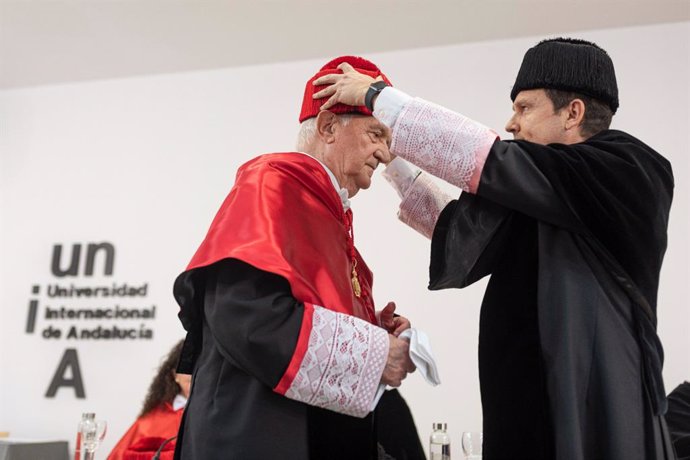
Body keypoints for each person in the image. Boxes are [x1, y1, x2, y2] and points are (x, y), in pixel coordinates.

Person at [313, 38, 675, 460]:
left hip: (589, 409)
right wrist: (393, 161)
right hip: (526, 415)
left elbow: (491, 159)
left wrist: (378, 98)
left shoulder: (630, 170)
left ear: (573, 112)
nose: (511, 122)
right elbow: (463, 233)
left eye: (524, 107)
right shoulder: (549, 193)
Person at [172, 56, 415, 460]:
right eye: (376, 134)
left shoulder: (330, 214)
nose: (385, 154)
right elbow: (244, 316)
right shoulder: (271, 184)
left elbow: (301, 311)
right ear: (327, 126)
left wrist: (373, 330)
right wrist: (372, 353)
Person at [108, 340, 190, 460]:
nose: (196, 374)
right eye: (190, 369)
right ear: (175, 375)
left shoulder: (223, 418)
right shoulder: (151, 421)